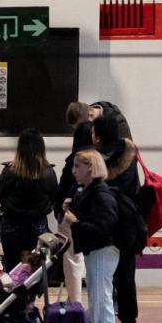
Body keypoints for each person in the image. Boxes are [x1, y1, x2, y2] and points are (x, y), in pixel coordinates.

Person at [63, 149, 119, 323]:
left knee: (102, 301)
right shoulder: (90, 191)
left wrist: (75, 222)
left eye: (78, 166)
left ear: (91, 168)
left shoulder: (101, 194)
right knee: (96, 301)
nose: (74, 170)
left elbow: (103, 228)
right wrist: (73, 207)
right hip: (95, 252)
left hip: (103, 252)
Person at [93, 113, 141, 323]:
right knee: (126, 276)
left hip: (105, 226)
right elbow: (136, 188)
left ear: (98, 135)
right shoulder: (130, 155)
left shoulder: (95, 160)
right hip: (129, 223)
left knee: (103, 279)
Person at [0, 129, 58, 272]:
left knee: (12, 267)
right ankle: (32, 294)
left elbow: (2, 195)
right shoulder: (48, 172)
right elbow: (54, 197)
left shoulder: (9, 171)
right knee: (35, 268)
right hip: (37, 226)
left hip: (12, 225)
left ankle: (13, 294)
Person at [57, 120, 93, 303]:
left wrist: (59, 211)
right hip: (93, 215)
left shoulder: (75, 159)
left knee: (72, 260)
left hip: (71, 215)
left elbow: (63, 187)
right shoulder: (99, 159)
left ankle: (76, 304)